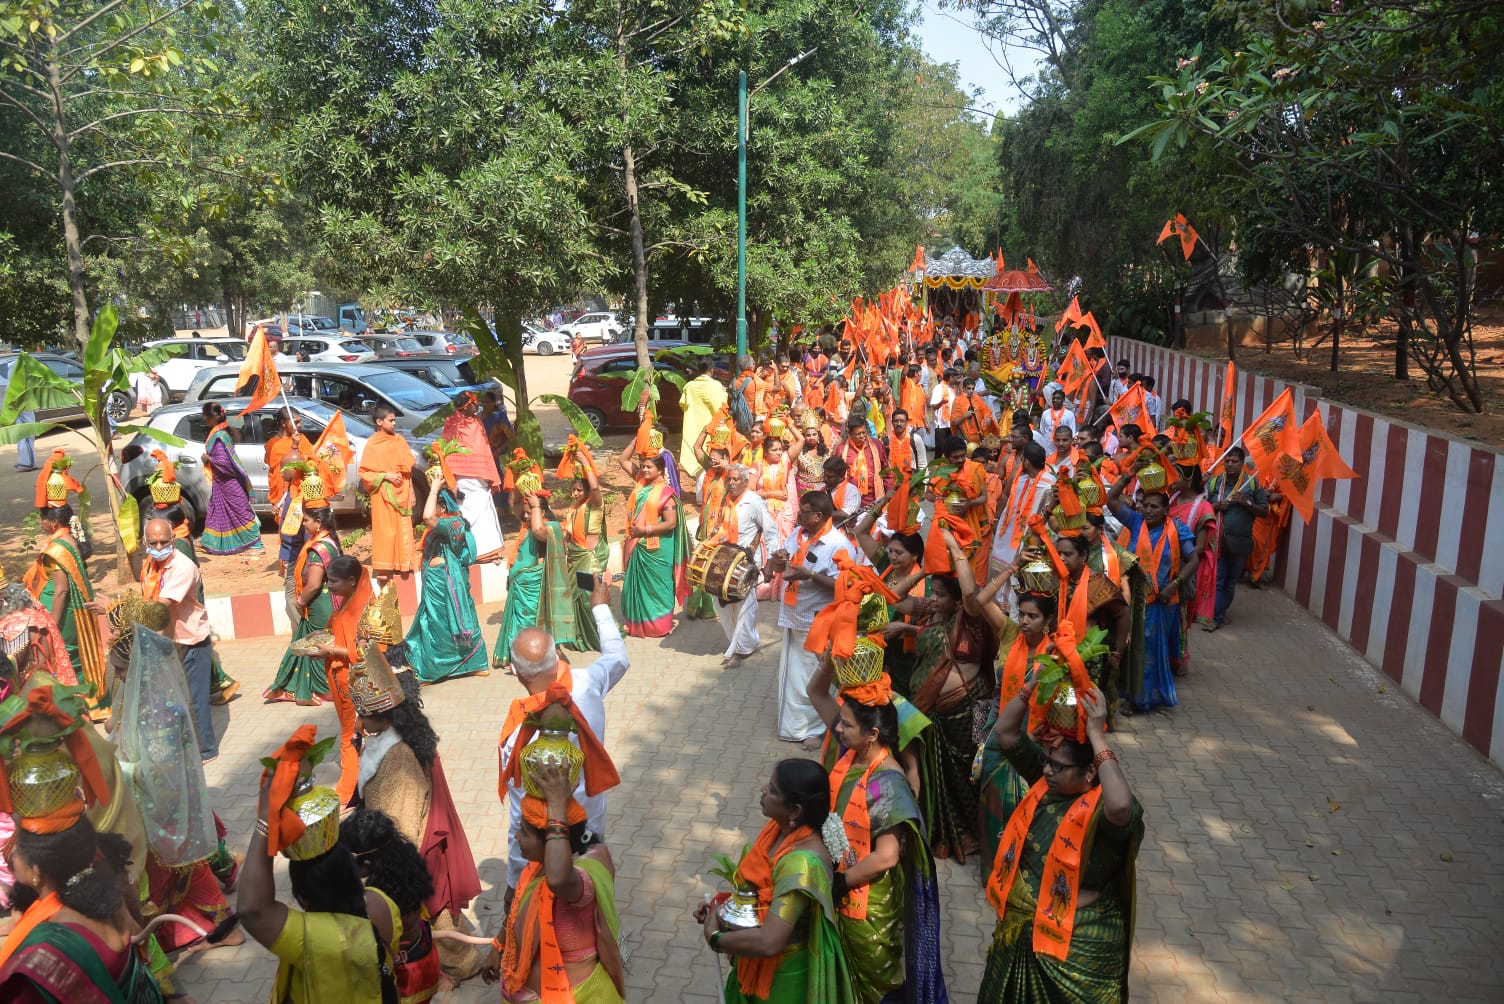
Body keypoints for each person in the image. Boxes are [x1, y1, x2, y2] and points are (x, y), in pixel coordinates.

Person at [979, 683, 1143, 1002]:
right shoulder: (1048, 784)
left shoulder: (1102, 813)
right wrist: (1032, 684)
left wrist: (1098, 736)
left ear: (1091, 769)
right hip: (1021, 930)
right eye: (1045, 760)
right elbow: (1006, 732)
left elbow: (1122, 806)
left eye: (1058, 765)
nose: (1046, 770)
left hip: (1077, 944)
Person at [804, 641, 946, 1004]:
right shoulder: (851, 752)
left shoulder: (888, 783)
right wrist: (831, 661)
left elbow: (886, 857)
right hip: (844, 884)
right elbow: (815, 692)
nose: (837, 730)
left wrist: (840, 883)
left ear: (872, 734)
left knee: (875, 988)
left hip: (869, 905)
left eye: (846, 725)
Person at [237, 730, 401, 1003]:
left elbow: (251, 909)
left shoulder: (310, 939)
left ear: (302, 898)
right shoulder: (382, 903)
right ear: (353, 871)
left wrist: (266, 818)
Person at [353, 659, 484, 982]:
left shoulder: (398, 756)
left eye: (363, 714)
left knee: (433, 912)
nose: (359, 721)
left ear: (379, 715)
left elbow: (404, 818)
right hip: (395, 840)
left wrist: (387, 860)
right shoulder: (389, 735)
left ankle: (463, 967)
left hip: (410, 845)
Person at [498, 577, 628, 895]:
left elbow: (520, 816)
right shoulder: (586, 683)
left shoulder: (519, 732)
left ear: (515, 672)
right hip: (590, 830)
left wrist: (515, 883)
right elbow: (618, 657)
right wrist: (599, 606)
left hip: (545, 853)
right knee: (590, 900)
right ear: (557, 658)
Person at [694, 759, 854, 1004]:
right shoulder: (776, 830)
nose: (763, 790)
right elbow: (760, 893)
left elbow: (770, 941)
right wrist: (724, 909)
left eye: (772, 789)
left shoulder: (801, 864)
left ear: (795, 811)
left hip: (782, 982)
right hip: (753, 967)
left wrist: (716, 937)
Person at [483, 752, 625, 1004]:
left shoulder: (581, 880)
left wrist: (557, 806)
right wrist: (498, 945)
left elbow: (558, 880)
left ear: (551, 841)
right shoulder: (536, 870)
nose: (517, 838)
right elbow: (518, 910)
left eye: (524, 834)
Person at [896, 528, 997, 862]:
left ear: (956, 600)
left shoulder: (970, 622)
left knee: (965, 779)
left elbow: (971, 594)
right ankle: (939, 835)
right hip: (930, 713)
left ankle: (972, 837)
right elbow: (891, 598)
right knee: (934, 778)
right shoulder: (931, 612)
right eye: (933, 593)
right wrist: (926, 570)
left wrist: (954, 549)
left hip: (964, 715)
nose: (934, 598)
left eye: (941, 594)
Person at [0, 816, 154, 1001]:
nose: (11, 856)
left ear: (37, 873)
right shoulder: (106, 897)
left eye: (18, 850)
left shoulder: (51, 943)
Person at [110, 517, 219, 762]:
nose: (159, 548)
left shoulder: (182, 566)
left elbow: (161, 607)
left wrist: (118, 613)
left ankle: (206, 750)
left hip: (190, 641)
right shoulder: (150, 565)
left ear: (173, 540)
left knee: (195, 701)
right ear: (144, 542)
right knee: (172, 698)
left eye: (164, 542)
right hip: (165, 641)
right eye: (153, 543)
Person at [763, 491, 857, 750]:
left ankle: (821, 730)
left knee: (814, 679)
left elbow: (846, 585)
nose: (799, 515)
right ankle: (795, 728)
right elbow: (787, 569)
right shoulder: (799, 535)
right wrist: (778, 562)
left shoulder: (839, 545)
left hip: (818, 623)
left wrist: (811, 576)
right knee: (794, 677)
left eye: (804, 512)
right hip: (794, 617)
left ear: (819, 516)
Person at [1106, 469, 1198, 712]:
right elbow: (1111, 500)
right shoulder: (1136, 522)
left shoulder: (1177, 529)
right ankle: (1131, 694)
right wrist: (1129, 474)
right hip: (1132, 598)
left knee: (1150, 649)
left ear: (1166, 510)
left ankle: (1143, 698)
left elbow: (1193, 559)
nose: (1148, 510)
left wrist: (1175, 585)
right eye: (1145, 505)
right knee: (1130, 645)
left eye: (1154, 506)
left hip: (1162, 600)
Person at [339, 810, 442, 1003]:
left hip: (408, 978)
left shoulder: (377, 901)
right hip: (426, 956)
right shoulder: (402, 863)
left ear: (367, 861)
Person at [494, 488, 598, 668]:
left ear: (542, 512)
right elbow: (515, 505)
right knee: (520, 622)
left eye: (531, 512)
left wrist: (534, 506)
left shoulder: (552, 528)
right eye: (525, 513)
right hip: (520, 585)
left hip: (534, 586)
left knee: (532, 622)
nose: (526, 517)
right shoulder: (527, 524)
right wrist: (520, 483)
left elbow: (538, 530)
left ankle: (537, 657)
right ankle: (520, 656)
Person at [24, 503, 106, 716]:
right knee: (75, 654)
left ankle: (76, 705)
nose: (41, 523)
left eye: (43, 518)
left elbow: (60, 590)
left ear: (53, 522)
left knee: (65, 655)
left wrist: (51, 622)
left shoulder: (57, 549)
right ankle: (87, 701)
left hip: (63, 612)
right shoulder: (69, 540)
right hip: (71, 610)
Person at [405, 477, 489, 684]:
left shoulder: (454, 523)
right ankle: (435, 667)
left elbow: (427, 517)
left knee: (453, 622)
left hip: (448, 584)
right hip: (434, 583)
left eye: (435, 505)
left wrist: (433, 489)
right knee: (434, 624)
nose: (432, 509)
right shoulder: (441, 526)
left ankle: (474, 662)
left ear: (443, 507)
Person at [308, 555, 371, 803]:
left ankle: (347, 792)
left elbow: (368, 651)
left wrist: (330, 650)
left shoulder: (363, 607)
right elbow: (339, 630)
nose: (329, 586)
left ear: (352, 580)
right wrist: (323, 634)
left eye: (334, 581)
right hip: (340, 678)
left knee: (350, 735)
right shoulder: (348, 601)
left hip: (354, 681)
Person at [265, 505, 341, 704]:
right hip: (328, 601)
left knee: (316, 647)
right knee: (314, 643)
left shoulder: (318, 549)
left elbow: (314, 584)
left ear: (318, 522)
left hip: (320, 604)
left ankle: (320, 690)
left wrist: (301, 601)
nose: (303, 524)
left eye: (306, 520)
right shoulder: (329, 541)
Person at [711, 465, 776, 669]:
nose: (731, 483)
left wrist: (770, 564)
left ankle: (739, 651)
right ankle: (743, 643)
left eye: (736, 479)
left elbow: (771, 531)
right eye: (729, 479)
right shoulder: (726, 500)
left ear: (746, 482)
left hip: (746, 563)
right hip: (724, 561)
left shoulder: (754, 502)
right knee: (719, 603)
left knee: (745, 606)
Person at [619, 449, 688, 638]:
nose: (644, 469)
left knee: (659, 587)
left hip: (658, 549)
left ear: (660, 470)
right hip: (638, 546)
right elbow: (622, 459)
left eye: (649, 466)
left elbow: (671, 523)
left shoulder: (666, 494)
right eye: (643, 466)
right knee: (639, 587)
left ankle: (659, 626)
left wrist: (645, 530)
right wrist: (639, 437)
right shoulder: (641, 485)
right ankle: (638, 624)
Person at [1205, 446, 1268, 630]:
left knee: (1230, 582)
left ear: (1242, 463)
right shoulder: (1215, 483)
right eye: (1227, 461)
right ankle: (1215, 618)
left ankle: (1221, 611)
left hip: (1240, 543)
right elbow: (1203, 507)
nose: (1230, 464)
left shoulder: (1252, 484)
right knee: (1219, 580)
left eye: (1234, 461)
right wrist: (1216, 506)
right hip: (1218, 541)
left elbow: (1264, 512)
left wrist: (1247, 503)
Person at [441, 392, 506, 563]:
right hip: (461, 478)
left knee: (485, 512)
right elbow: (448, 452)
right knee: (466, 515)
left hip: (480, 476)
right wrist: (451, 481)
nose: (477, 406)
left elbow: (483, 448)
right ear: (465, 405)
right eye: (474, 403)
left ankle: (487, 552)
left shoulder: (477, 422)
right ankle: (472, 552)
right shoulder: (452, 423)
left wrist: (490, 474)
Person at [358, 404, 417, 581]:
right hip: (382, 493)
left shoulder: (399, 440)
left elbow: (408, 470)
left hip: (403, 491)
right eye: (390, 420)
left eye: (394, 420)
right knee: (385, 531)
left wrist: (412, 491)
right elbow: (365, 472)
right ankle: (385, 567)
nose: (394, 423)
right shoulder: (373, 444)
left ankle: (403, 565)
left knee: (403, 529)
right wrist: (386, 476)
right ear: (379, 422)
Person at [1169, 461, 1217, 671]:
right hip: (1163, 565)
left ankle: (1180, 659)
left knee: (1180, 615)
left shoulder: (1204, 508)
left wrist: (1175, 555)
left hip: (1184, 568)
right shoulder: (1170, 499)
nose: (1172, 479)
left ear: (1188, 479)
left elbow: (1199, 547)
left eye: (1175, 475)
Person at [198, 402, 263, 555]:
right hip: (221, 484)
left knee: (242, 513)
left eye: (206, 416)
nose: (204, 419)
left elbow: (225, 464)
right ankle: (210, 543)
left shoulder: (220, 436)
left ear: (214, 417)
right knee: (216, 512)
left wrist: (209, 460)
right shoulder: (219, 433)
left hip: (230, 483)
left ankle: (256, 543)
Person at [265, 407, 317, 576]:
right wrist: (279, 500)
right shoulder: (278, 445)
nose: (299, 425)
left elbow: (312, 461)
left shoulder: (304, 440)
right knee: (289, 532)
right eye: (295, 422)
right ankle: (289, 570)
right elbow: (278, 475)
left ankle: (306, 567)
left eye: (299, 421)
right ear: (283, 423)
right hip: (288, 495)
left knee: (306, 531)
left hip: (305, 494)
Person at [680, 357, 728, 479]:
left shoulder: (689, 386)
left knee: (697, 454)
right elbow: (722, 407)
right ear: (712, 370)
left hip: (694, 427)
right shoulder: (716, 386)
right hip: (713, 430)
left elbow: (683, 404)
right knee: (712, 463)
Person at [833, 415, 889, 509]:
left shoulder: (876, 445)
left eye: (864, 432)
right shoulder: (842, 449)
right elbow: (836, 475)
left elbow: (886, 471)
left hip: (875, 497)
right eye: (858, 434)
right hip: (851, 499)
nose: (862, 436)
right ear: (850, 434)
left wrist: (889, 493)